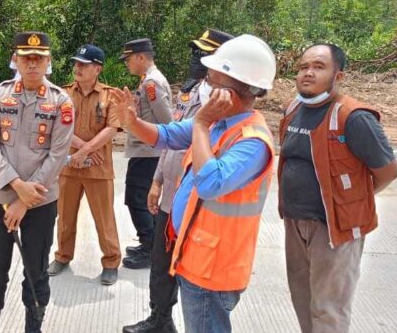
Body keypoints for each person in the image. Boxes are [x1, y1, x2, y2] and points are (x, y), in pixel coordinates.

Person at [115, 34, 277, 333]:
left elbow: (210, 184)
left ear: (234, 89)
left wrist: (201, 124)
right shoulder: (219, 123)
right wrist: (133, 122)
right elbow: (166, 135)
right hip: (196, 257)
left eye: (214, 83)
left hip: (214, 269)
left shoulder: (252, 141)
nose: (207, 88)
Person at [279, 43, 397, 333]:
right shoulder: (294, 109)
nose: (308, 73)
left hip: (334, 230)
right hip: (295, 224)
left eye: (319, 67)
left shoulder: (354, 117)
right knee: (303, 300)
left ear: (339, 76)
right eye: (304, 66)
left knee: (328, 310)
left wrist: (348, 202)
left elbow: (388, 172)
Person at [123, 28, 234, 333]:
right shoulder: (189, 93)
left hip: (196, 203)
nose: (197, 60)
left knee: (193, 280)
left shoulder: (224, 104)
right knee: (160, 267)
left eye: (205, 55)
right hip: (170, 195)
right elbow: (169, 138)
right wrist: (157, 181)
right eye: (196, 53)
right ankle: (160, 320)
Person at [0, 32, 75, 333]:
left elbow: (58, 155)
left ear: (48, 63)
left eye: (39, 58)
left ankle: (34, 327)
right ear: (16, 61)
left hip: (40, 201)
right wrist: (16, 187)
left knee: (36, 270)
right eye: (26, 58)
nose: (32, 64)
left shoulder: (61, 101)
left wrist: (24, 200)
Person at [47, 44, 122, 285]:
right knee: (65, 216)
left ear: (97, 69)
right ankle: (62, 256)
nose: (77, 68)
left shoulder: (109, 96)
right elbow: (59, 127)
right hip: (69, 166)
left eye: (83, 64)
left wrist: (87, 150)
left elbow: (112, 129)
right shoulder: (63, 94)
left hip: (98, 170)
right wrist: (82, 150)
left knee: (104, 218)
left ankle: (111, 261)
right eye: (76, 63)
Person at [119, 38, 173, 269]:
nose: (127, 64)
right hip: (144, 150)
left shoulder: (152, 83)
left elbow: (167, 121)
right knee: (136, 198)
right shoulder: (146, 81)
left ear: (141, 57)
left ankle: (151, 248)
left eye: (129, 59)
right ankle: (148, 243)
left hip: (149, 152)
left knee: (138, 200)